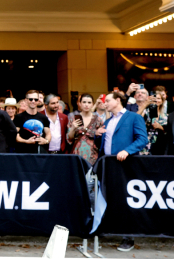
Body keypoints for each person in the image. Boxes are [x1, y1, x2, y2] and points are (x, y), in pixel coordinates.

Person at [96, 91, 148, 252]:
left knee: (127, 199)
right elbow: (105, 142)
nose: (105, 103)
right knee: (111, 197)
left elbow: (142, 139)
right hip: (108, 164)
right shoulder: (108, 120)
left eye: (108, 101)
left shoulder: (134, 117)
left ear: (118, 101)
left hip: (126, 164)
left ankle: (128, 236)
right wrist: (98, 135)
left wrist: (128, 150)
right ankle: (110, 229)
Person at [68, 94, 103, 165]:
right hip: (77, 153)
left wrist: (97, 134)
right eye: (84, 102)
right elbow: (70, 139)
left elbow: (102, 140)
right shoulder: (73, 118)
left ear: (93, 104)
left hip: (92, 154)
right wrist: (73, 128)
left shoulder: (98, 119)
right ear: (79, 104)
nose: (86, 105)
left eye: (89, 102)